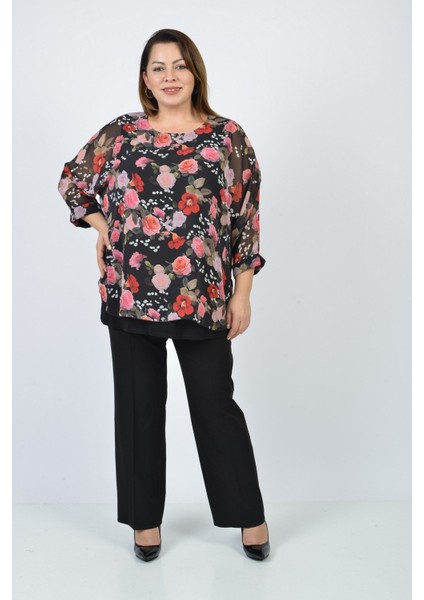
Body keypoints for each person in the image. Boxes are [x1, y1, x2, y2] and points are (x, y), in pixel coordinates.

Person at [57, 28, 270, 562]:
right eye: (158, 67)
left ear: (194, 73)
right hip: (130, 291)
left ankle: (249, 515)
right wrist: (105, 226)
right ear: (145, 79)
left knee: (215, 406)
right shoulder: (123, 133)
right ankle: (144, 522)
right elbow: (72, 180)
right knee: (139, 409)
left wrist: (242, 292)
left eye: (179, 66)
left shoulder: (228, 137)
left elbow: (245, 219)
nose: (169, 76)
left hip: (204, 296)